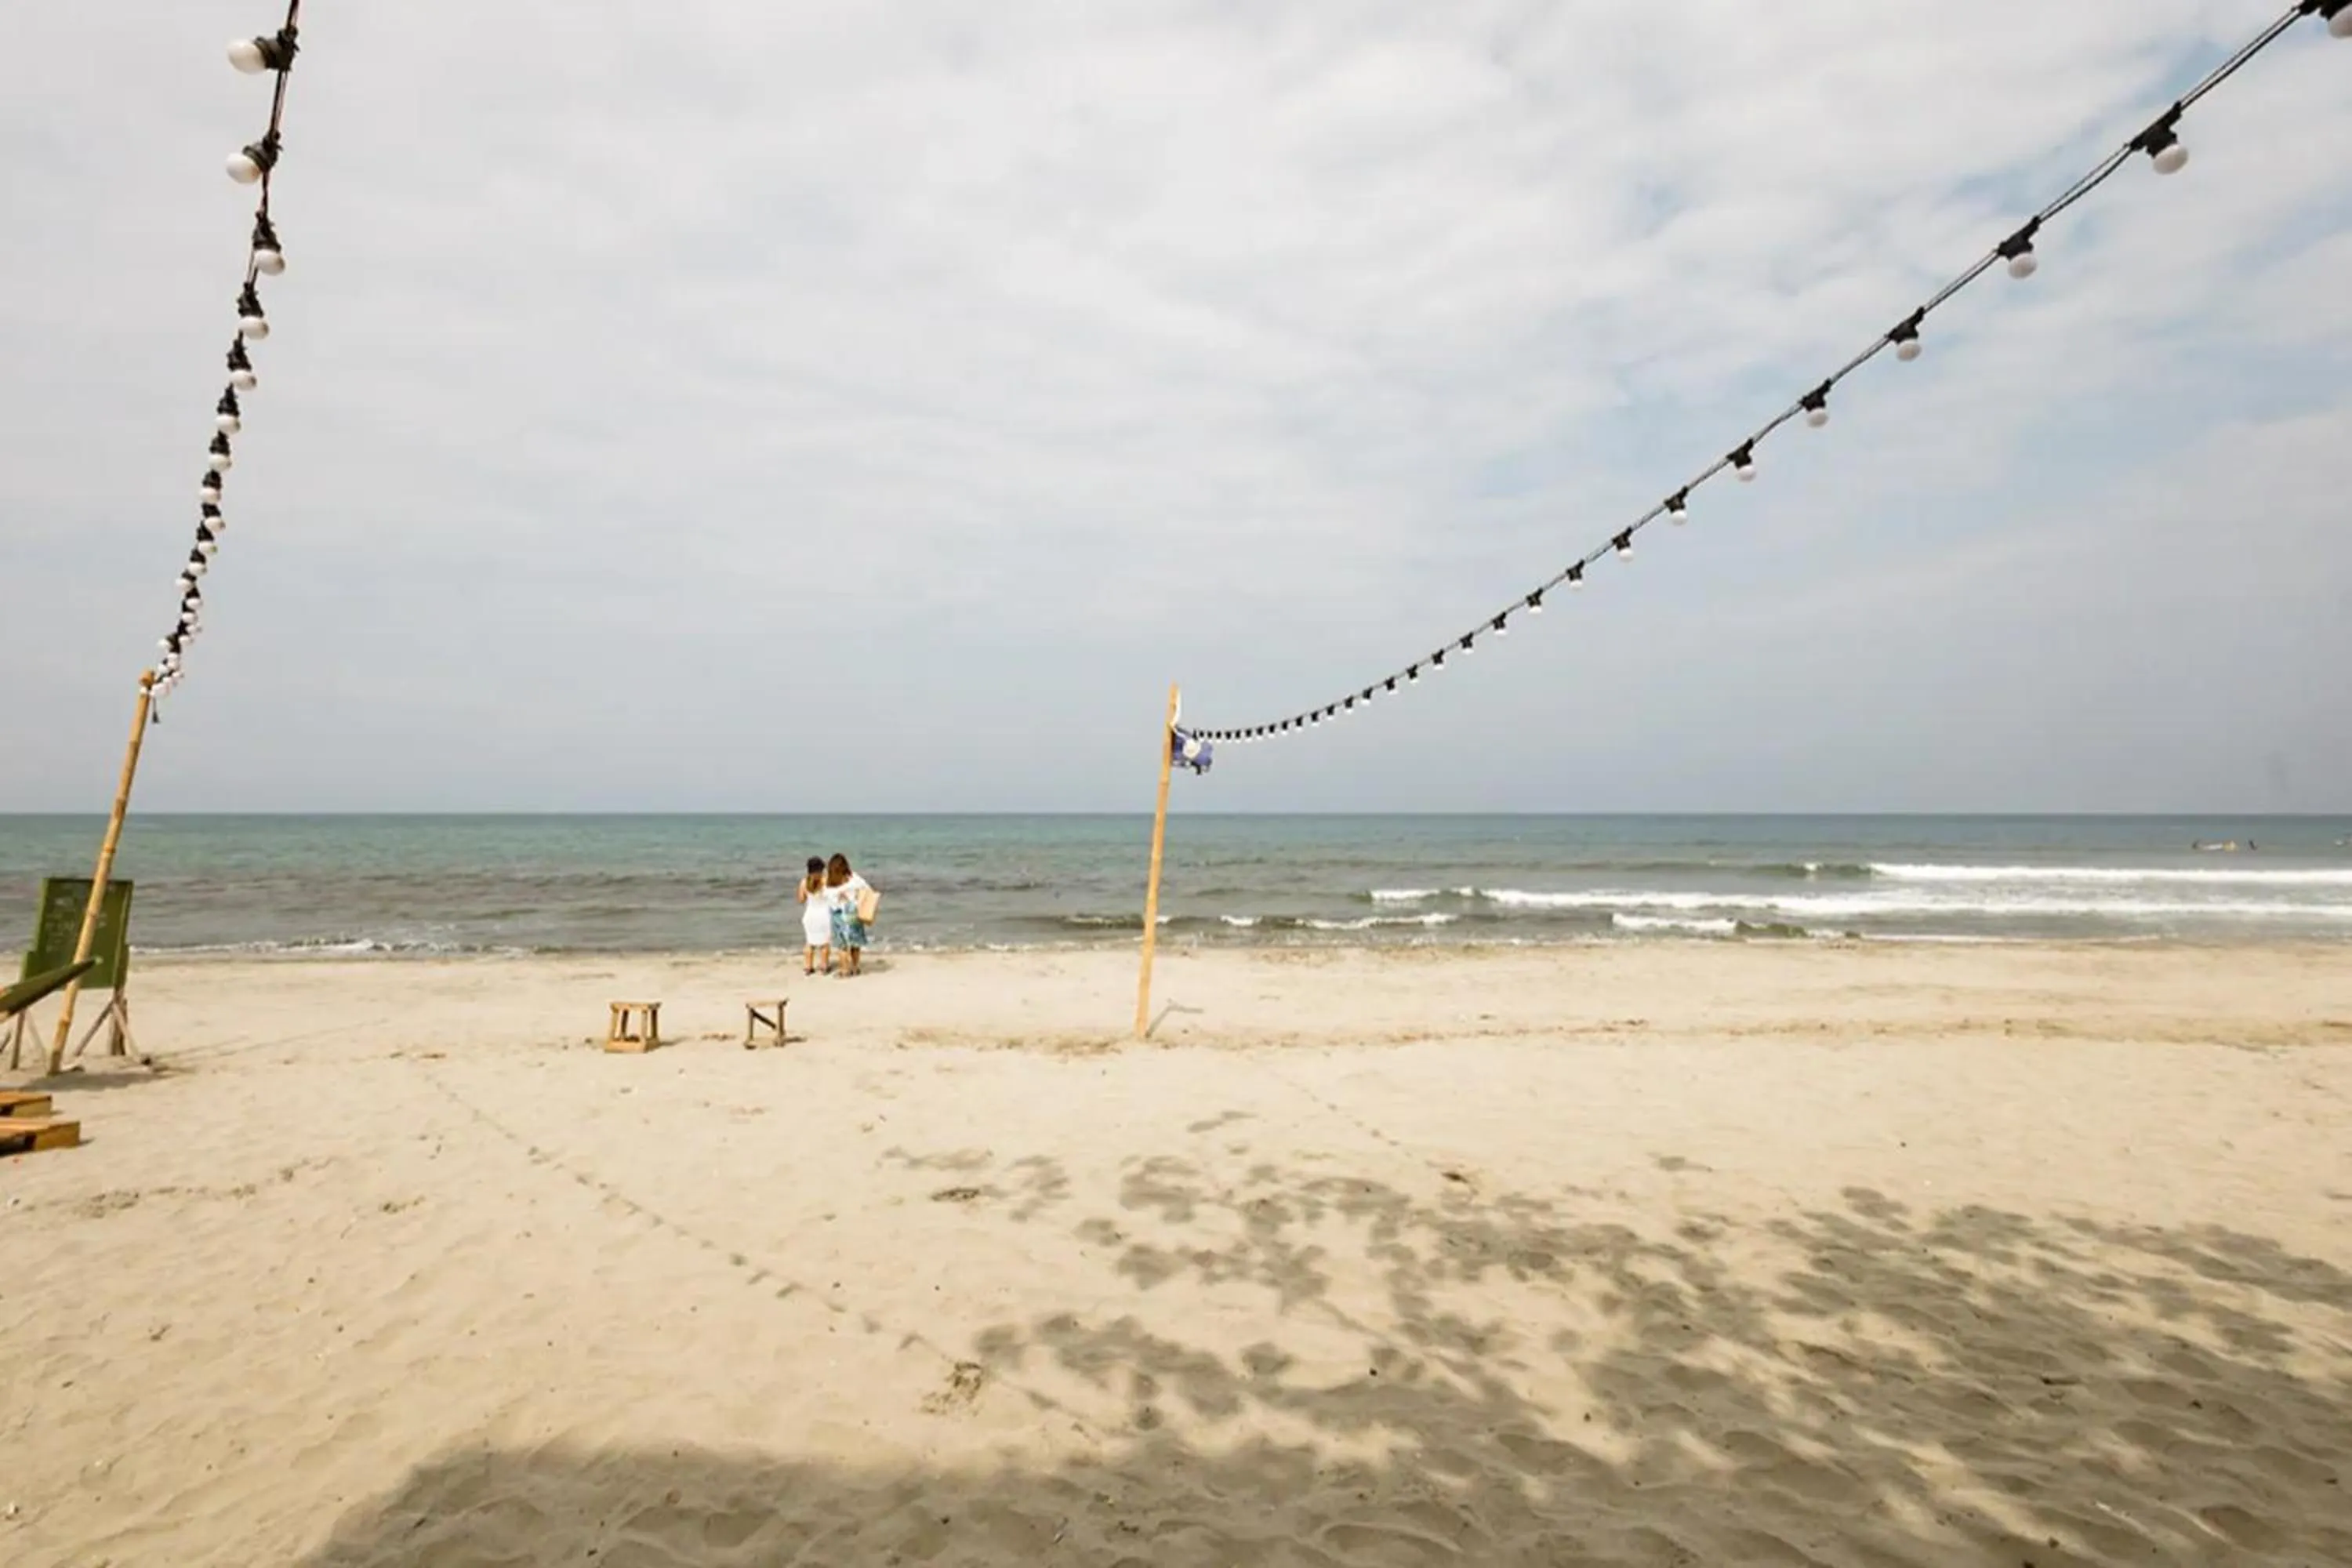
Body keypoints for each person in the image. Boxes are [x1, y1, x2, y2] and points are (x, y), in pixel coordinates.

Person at [825, 851, 873, 978]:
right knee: (855, 944)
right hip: (853, 914)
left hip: (839, 916)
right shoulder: (854, 878)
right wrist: (855, 897)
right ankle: (855, 968)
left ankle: (844, 970)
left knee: (842, 946)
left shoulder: (830, 884)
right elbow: (868, 889)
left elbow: (830, 901)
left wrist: (839, 896)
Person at [796, 856, 832, 976]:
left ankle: (808, 966)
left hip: (810, 915)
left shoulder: (804, 882)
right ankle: (824, 966)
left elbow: (801, 900)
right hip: (824, 915)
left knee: (810, 943)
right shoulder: (826, 881)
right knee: (824, 944)